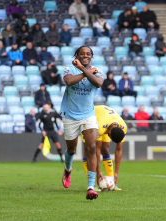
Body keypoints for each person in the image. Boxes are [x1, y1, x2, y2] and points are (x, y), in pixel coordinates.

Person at [60, 46, 104, 200]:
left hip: (88, 115)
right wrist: (84, 71)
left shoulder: (97, 71)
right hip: (70, 115)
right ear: (77, 56)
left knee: (91, 147)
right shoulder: (69, 68)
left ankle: (91, 187)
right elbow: (69, 81)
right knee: (71, 150)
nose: (85, 56)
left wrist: (84, 70)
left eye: (88, 54)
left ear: (91, 56)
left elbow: (98, 83)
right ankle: (68, 168)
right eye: (82, 54)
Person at [82, 105, 127, 191]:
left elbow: (118, 150)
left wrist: (116, 173)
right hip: (90, 118)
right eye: (110, 138)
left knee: (105, 149)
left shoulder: (123, 128)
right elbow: (96, 150)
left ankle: (111, 182)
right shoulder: (100, 127)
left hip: (106, 118)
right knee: (88, 151)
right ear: (109, 132)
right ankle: (92, 184)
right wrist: (98, 170)